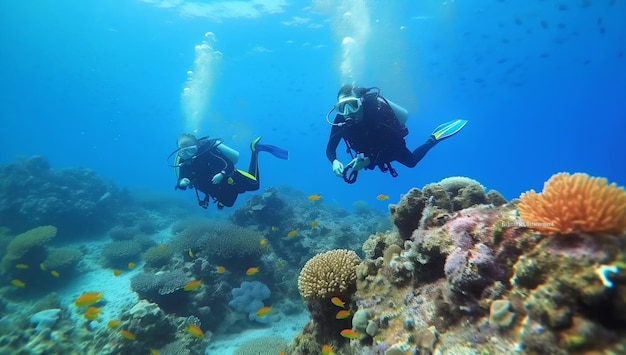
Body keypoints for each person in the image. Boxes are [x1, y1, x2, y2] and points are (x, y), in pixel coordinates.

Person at [325, 84, 468, 183]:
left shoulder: (377, 111)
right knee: (369, 163)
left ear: (361, 101)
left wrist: (371, 160)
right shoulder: (340, 120)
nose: (348, 112)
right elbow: (330, 148)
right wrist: (334, 161)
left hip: (390, 145)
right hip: (368, 152)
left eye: (352, 104)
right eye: (342, 107)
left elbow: (395, 143)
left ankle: (433, 139)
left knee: (411, 162)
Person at [170, 134, 288, 209]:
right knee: (228, 204)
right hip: (216, 189)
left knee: (255, 185)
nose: (186, 155)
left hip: (231, 178)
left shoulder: (208, 152)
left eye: (189, 150)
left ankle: (254, 150)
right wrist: (182, 182)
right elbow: (181, 184)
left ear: (197, 146)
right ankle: (223, 200)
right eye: (182, 151)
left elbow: (230, 165)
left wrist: (222, 174)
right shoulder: (182, 163)